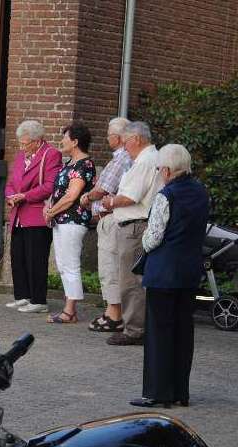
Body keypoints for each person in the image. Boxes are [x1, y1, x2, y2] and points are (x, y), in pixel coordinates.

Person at [129, 145, 209, 408]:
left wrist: (142, 240)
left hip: (163, 272)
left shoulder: (166, 195)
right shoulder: (201, 192)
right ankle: (180, 392)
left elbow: (153, 237)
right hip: (189, 270)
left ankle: (157, 392)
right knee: (183, 332)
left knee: (158, 334)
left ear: (166, 169)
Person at [101, 121, 161, 345]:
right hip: (137, 224)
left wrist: (109, 201)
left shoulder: (145, 161)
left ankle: (135, 330)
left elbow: (130, 197)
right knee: (135, 279)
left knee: (130, 280)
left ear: (136, 139)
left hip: (135, 226)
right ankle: (138, 327)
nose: (124, 147)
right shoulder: (150, 159)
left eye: (125, 142)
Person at [80, 117, 132, 332]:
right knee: (115, 268)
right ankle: (116, 311)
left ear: (118, 138)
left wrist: (87, 197)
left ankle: (114, 314)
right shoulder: (128, 158)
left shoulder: (121, 159)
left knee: (109, 267)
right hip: (116, 219)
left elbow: (104, 188)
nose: (107, 139)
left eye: (109, 135)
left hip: (111, 220)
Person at [4, 120, 62, 313]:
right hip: (18, 214)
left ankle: (39, 300)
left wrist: (25, 196)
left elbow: (49, 185)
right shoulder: (21, 155)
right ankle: (22, 296)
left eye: (25, 143)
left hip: (36, 214)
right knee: (18, 256)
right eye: (20, 143)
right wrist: (10, 196)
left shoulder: (51, 154)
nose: (21, 147)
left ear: (37, 141)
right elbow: (12, 181)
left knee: (35, 258)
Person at [44, 122, 96, 323]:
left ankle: (70, 310)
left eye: (65, 138)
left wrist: (51, 212)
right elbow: (58, 193)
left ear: (75, 142)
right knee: (63, 264)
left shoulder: (84, 164)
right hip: (62, 220)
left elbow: (71, 195)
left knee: (70, 264)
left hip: (72, 220)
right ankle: (69, 308)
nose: (62, 141)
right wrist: (50, 207)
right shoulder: (70, 164)